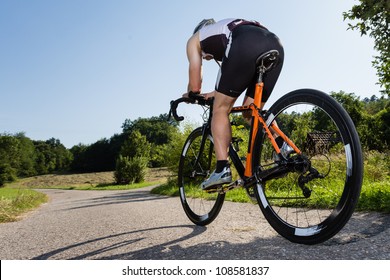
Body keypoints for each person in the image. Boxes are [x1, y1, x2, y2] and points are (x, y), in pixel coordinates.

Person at [184, 18, 284, 191]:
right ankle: (283, 146)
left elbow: (195, 84)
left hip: (244, 43)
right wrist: (213, 94)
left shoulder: (195, 39)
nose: (207, 58)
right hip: (274, 43)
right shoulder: (225, 28)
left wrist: (191, 94)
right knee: (251, 112)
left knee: (220, 110)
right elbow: (231, 83)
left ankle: (222, 168)